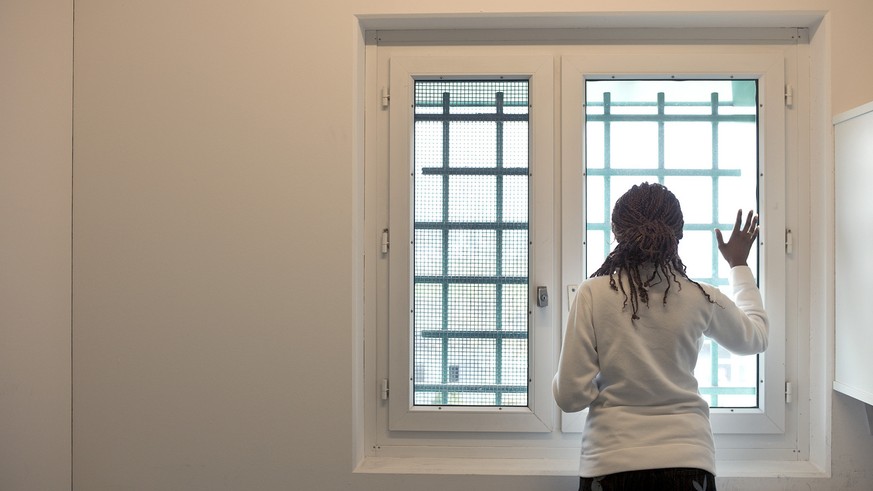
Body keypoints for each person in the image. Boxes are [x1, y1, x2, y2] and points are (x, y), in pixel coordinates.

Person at [553, 182, 768, 491]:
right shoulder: (701, 296)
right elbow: (756, 338)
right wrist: (738, 264)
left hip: (610, 463)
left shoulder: (592, 293)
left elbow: (570, 398)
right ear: (677, 235)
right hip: (689, 462)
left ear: (616, 232)